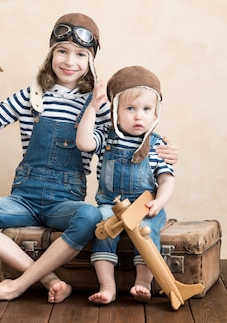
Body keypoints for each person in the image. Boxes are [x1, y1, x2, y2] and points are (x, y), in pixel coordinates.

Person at [0, 14, 179, 304]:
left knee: (91, 216)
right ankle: (45, 279)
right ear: (50, 53)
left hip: (64, 201)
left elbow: (130, 135)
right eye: (62, 51)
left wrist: (164, 147)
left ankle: (15, 285)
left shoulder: (98, 105)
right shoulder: (29, 96)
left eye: (80, 54)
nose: (70, 61)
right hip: (23, 198)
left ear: (90, 60)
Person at [76, 65, 175, 305]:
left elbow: (166, 179)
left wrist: (159, 202)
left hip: (145, 206)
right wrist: (92, 109)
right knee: (103, 227)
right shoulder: (107, 136)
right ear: (115, 112)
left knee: (147, 231)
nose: (138, 116)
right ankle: (107, 285)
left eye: (146, 109)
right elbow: (84, 143)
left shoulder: (157, 144)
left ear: (155, 114)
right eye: (130, 109)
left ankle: (143, 282)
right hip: (111, 204)